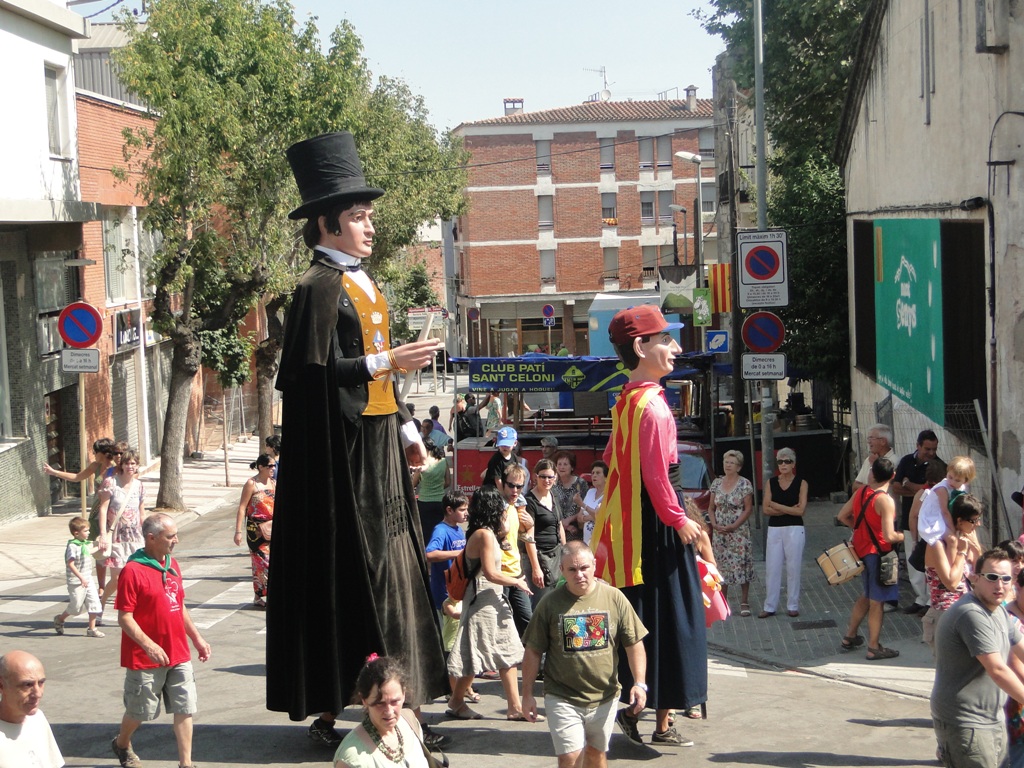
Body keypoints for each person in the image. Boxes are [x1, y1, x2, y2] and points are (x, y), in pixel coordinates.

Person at [269, 132, 447, 746]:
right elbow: (308, 378)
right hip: (341, 459)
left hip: (378, 444)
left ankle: (405, 706)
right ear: (327, 224)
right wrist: (385, 364)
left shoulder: (367, 284)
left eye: (369, 215)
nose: (370, 226)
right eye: (358, 216)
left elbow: (375, 365)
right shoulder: (314, 290)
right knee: (357, 570)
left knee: (395, 568)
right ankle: (339, 703)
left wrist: (405, 427)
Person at [589, 305, 706, 748]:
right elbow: (659, 478)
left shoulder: (626, 400)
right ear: (640, 347)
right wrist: (682, 521)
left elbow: (619, 469)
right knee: (673, 617)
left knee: (641, 616)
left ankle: (643, 711)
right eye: (665, 339)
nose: (675, 347)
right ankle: (656, 715)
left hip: (631, 525)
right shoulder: (653, 407)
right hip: (657, 524)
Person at [521, 542, 648, 767]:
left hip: (605, 697)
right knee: (570, 756)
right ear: (562, 570)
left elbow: (634, 643)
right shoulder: (549, 603)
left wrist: (639, 683)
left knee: (595, 754)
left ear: (594, 566)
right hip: (562, 696)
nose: (579, 575)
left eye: (584, 568)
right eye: (572, 570)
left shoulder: (614, 598)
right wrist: (527, 693)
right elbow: (533, 650)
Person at [112, 513, 212, 768]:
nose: (176, 540)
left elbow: (179, 605)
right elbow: (125, 617)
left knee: (184, 706)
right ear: (151, 538)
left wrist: (197, 638)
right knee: (140, 711)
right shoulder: (133, 571)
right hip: (145, 657)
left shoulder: (172, 564)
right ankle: (122, 743)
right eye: (171, 536)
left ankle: (186, 764)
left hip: (178, 652)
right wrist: (149, 645)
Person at [932, 547, 1024, 768]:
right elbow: (998, 670)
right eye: (992, 577)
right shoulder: (971, 614)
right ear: (975, 577)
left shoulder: (999, 611)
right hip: (966, 723)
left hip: (993, 718)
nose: (999, 585)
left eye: (1005, 578)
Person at [446, 486, 532, 721]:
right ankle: (456, 702)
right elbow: (491, 573)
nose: (505, 510)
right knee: (474, 654)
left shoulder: (489, 533)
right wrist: (516, 582)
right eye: (501, 506)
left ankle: (514, 708)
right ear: (493, 508)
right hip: (482, 598)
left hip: (493, 598)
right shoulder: (483, 535)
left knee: (508, 649)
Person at [837, 457, 904, 660]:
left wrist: (859, 529)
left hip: (861, 550)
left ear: (872, 473)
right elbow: (890, 535)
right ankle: (873, 646)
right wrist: (904, 536)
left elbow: (842, 516)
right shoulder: (885, 500)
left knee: (866, 594)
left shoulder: (860, 493)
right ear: (892, 477)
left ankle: (850, 636)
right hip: (879, 555)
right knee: (877, 602)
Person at [333, 655, 430, 768]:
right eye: (380, 703)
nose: (389, 711)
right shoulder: (352, 759)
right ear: (364, 700)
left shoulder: (410, 722)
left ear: (404, 694)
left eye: (394, 701)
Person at [922, 494, 983, 652]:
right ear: (959, 520)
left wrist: (976, 549)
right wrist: (962, 553)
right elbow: (951, 583)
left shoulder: (962, 539)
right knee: (949, 672)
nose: (978, 524)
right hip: (944, 614)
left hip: (965, 610)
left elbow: (980, 572)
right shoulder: (937, 544)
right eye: (973, 521)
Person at [892, 429, 940, 615]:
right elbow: (896, 488)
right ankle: (920, 598)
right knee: (914, 563)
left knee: (928, 563)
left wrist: (910, 485)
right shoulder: (905, 461)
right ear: (918, 446)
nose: (931, 453)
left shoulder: (937, 465)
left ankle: (931, 601)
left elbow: (933, 490)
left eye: (934, 449)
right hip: (910, 522)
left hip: (929, 524)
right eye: (927, 448)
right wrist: (919, 490)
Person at [759, 447, 808, 618]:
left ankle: (792, 605)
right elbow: (765, 509)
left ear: (793, 464)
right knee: (772, 567)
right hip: (775, 528)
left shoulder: (801, 483)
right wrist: (788, 509)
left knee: (793, 567)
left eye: (787, 461)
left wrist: (777, 506)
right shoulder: (771, 482)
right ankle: (770, 605)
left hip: (795, 528)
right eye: (780, 461)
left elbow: (801, 510)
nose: (783, 464)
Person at [96, 449, 145, 618]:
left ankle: (132, 612)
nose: (130, 466)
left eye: (133, 463)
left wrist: (145, 531)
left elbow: (141, 511)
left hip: (135, 537)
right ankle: (100, 602)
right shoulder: (111, 483)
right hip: (116, 535)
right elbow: (103, 509)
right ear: (121, 465)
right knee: (117, 579)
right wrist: (103, 533)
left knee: (136, 575)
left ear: (137, 465)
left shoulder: (139, 485)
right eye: (127, 463)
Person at [708, 450, 755, 617]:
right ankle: (723, 601)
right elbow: (711, 508)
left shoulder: (745, 484)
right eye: (726, 462)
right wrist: (714, 524)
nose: (727, 465)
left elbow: (748, 509)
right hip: (720, 533)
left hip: (738, 532)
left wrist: (734, 525)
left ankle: (744, 601)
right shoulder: (716, 484)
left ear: (739, 467)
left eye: (731, 463)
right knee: (721, 566)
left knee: (741, 564)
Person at [0, 651, 63, 768]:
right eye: (27, 685)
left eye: (41, 683)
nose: (38, 694)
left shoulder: (38, 719)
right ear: (1, 686)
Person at [233, 453, 276, 608]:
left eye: (274, 465)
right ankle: (266, 594)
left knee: (272, 563)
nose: (273, 468)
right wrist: (238, 531)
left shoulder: (273, 483)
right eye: (270, 466)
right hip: (256, 530)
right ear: (261, 467)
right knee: (263, 563)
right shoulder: (252, 484)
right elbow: (242, 507)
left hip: (272, 527)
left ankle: (258, 596)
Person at [525, 458, 566, 606]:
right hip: (538, 557)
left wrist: (565, 551)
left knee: (555, 600)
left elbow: (559, 524)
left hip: (555, 554)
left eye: (550, 476)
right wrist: (536, 568)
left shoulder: (552, 495)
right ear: (536, 476)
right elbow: (528, 537)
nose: (547, 480)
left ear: (555, 477)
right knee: (541, 603)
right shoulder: (529, 501)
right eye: (543, 476)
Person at [53, 516, 104, 637]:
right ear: (76, 533)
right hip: (76, 581)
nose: (89, 532)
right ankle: (60, 619)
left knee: (94, 603)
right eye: (86, 531)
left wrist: (99, 547)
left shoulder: (84, 544)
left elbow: (87, 552)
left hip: (88, 579)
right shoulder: (73, 546)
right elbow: (70, 563)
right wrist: (81, 578)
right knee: (76, 608)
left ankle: (92, 629)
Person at [500, 463, 535, 635]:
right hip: (500, 575)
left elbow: (524, 538)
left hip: (517, 572)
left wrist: (530, 527)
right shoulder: (498, 507)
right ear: (502, 484)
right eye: (511, 485)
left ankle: (531, 661)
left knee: (528, 622)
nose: (515, 490)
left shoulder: (516, 507)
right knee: (502, 625)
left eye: (519, 486)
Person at [424, 491, 468, 613]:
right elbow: (429, 554)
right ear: (449, 510)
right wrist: (460, 553)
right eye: (462, 510)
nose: (466, 513)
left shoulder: (459, 529)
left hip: (458, 591)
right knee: (448, 631)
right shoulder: (441, 530)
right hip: (445, 594)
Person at [919, 456, 977, 545]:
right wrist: (953, 530)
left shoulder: (962, 488)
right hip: (934, 518)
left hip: (947, 517)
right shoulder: (942, 488)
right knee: (952, 540)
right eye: (950, 477)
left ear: (965, 481)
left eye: (957, 480)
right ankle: (950, 559)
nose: (952, 482)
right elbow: (944, 511)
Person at [412, 440, 451, 540]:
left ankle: (426, 554)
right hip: (440, 501)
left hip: (424, 501)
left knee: (425, 531)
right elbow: (447, 482)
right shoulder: (443, 461)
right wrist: (437, 489)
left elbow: (413, 483)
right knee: (439, 529)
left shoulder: (421, 464)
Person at [551, 450, 589, 543]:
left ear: (572, 467)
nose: (561, 467)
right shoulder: (552, 484)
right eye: (559, 464)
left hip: (576, 530)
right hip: (556, 530)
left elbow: (584, 507)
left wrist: (569, 520)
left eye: (565, 464)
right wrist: (564, 525)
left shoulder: (580, 484)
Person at [851, 423, 897, 495]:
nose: (868, 441)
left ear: (883, 441)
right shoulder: (869, 460)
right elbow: (854, 487)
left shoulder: (894, 461)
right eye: (868, 438)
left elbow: (881, 488)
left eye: (872, 438)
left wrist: (874, 464)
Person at [577, 460, 608, 546]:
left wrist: (583, 505)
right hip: (587, 541)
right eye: (593, 473)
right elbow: (579, 520)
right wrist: (592, 517)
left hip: (601, 543)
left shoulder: (609, 495)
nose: (594, 475)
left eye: (598, 473)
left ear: (606, 477)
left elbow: (603, 518)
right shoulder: (590, 492)